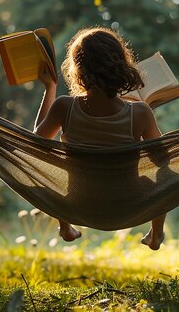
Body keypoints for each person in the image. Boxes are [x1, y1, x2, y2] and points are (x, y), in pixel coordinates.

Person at [33, 27, 166, 250]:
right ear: (121, 63)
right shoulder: (140, 112)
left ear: (78, 70)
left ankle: (65, 227)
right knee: (164, 180)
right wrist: (145, 118)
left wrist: (50, 87)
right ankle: (156, 234)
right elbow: (163, 157)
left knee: (50, 175)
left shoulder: (65, 106)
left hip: (77, 202)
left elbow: (36, 143)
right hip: (127, 204)